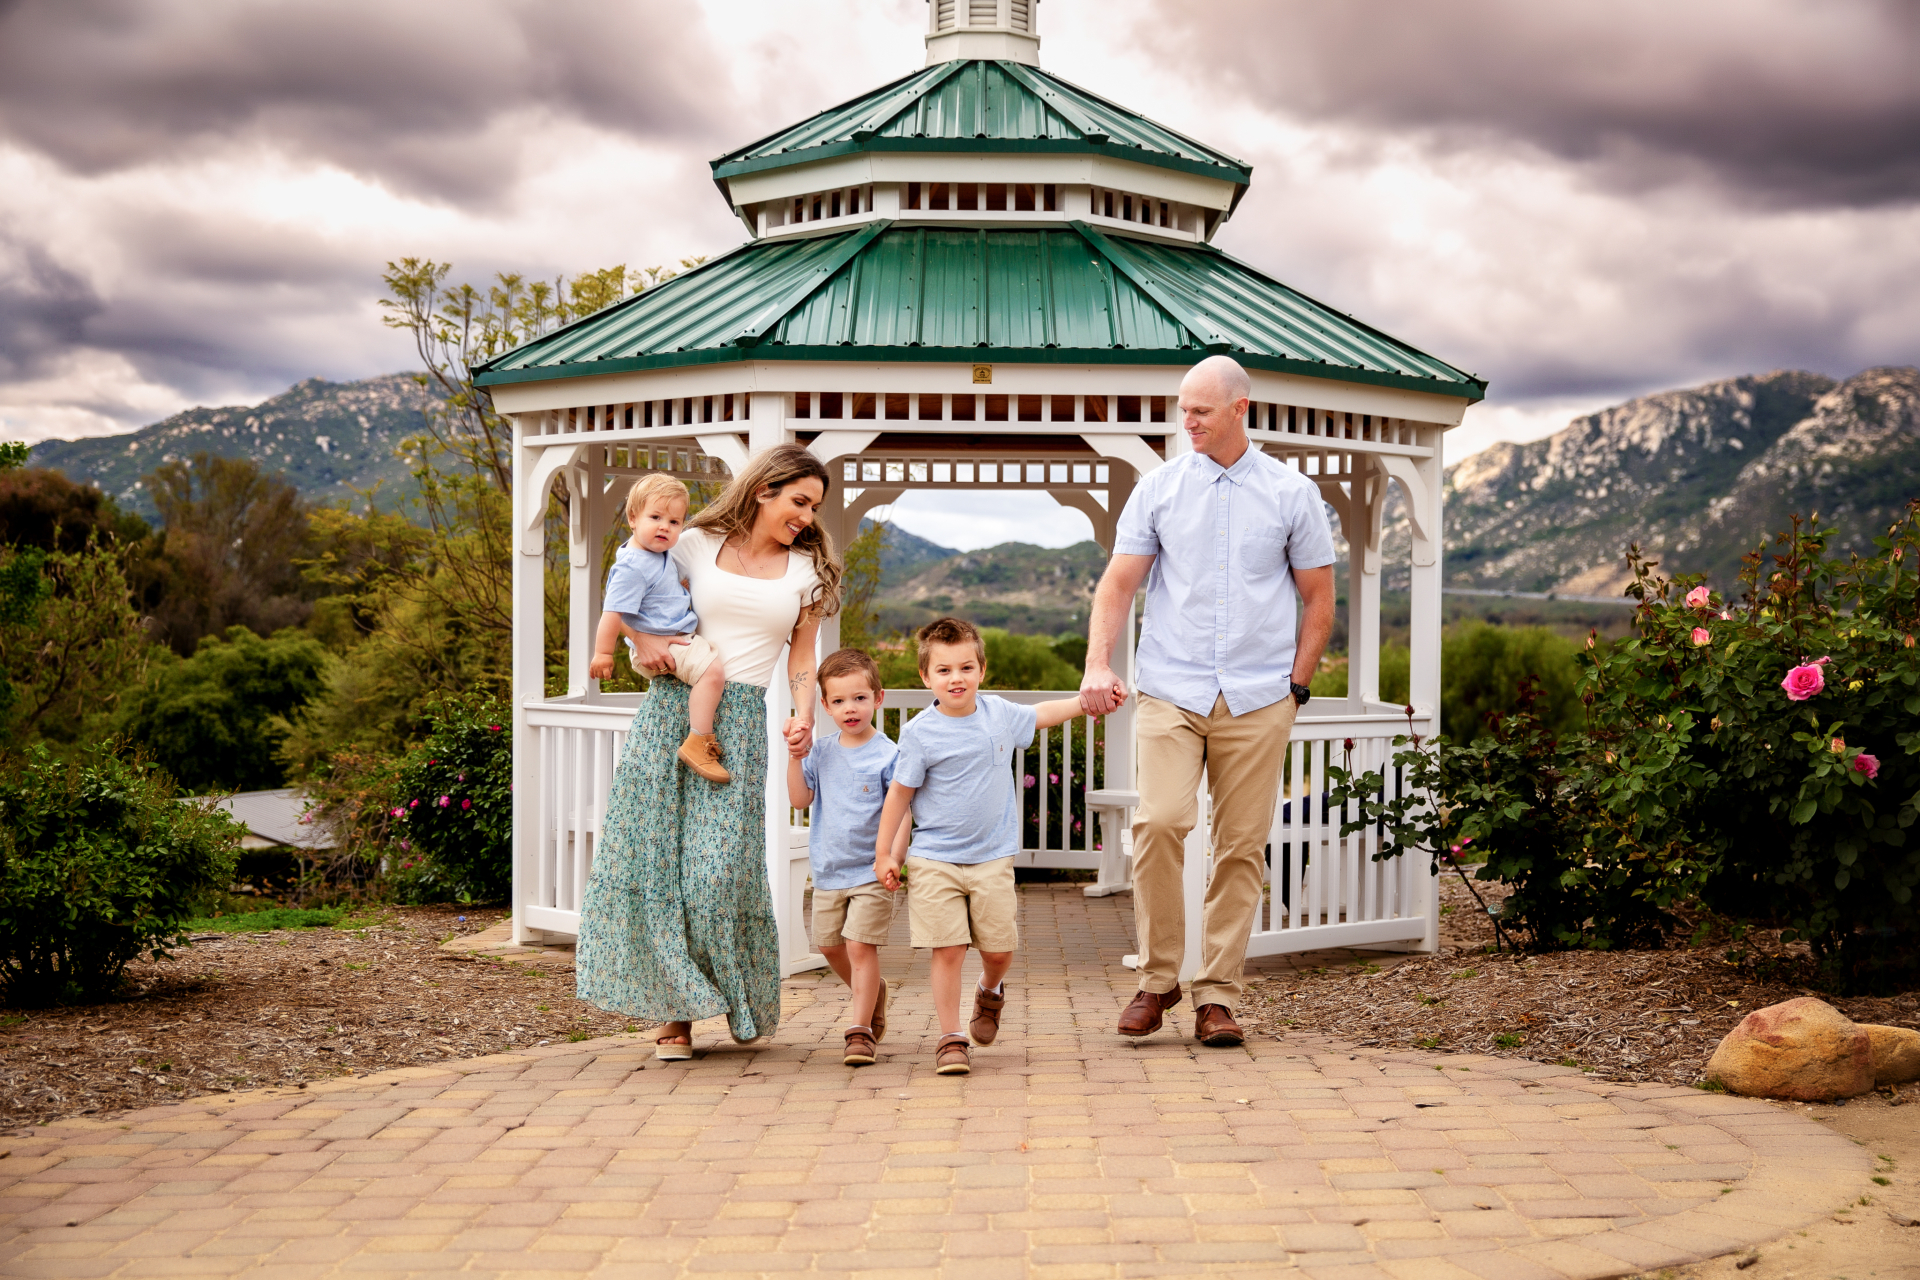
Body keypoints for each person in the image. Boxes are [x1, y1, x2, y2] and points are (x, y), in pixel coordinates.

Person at [1080, 354, 1336, 1048]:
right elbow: (1118, 585)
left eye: (1200, 410)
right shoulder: (1159, 489)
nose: (1186, 421)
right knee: (1159, 823)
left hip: (1259, 697)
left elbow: (1319, 598)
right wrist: (1098, 663)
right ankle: (1159, 979)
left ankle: (1217, 994)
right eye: (1183, 408)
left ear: (1238, 409)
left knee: (1240, 848)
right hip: (1171, 688)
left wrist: (1296, 686)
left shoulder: (1292, 492)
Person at [575, 444, 842, 1060]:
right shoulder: (693, 543)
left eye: (814, 507)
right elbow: (630, 590)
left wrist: (805, 715)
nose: (807, 516)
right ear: (763, 491)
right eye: (799, 501)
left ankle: (731, 998)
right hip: (671, 710)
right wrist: (639, 642)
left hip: (740, 726)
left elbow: (802, 656)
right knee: (658, 865)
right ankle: (676, 1015)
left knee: (715, 873)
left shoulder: (806, 572)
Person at [875, 617, 1106, 1075]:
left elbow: (1042, 714)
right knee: (948, 949)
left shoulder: (999, 714)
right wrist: (886, 854)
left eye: (966, 667)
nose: (956, 678)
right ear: (925, 677)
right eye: (943, 670)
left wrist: (1084, 702)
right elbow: (899, 795)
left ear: (982, 669)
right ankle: (950, 1038)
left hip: (993, 857)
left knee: (998, 950)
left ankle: (990, 989)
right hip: (935, 857)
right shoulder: (920, 732)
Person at [787, 648, 907, 1067]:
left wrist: (893, 858)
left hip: (871, 871)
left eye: (859, 698)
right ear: (825, 706)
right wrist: (795, 756)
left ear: (878, 698)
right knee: (829, 945)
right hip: (828, 870)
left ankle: (860, 1031)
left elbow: (903, 813)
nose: (849, 708)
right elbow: (799, 799)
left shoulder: (889, 754)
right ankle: (873, 991)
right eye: (838, 701)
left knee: (859, 946)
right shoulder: (820, 752)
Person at [588, 473, 732, 783]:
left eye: (674, 521)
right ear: (632, 518)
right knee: (713, 673)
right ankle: (699, 741)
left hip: (674, 639)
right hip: (659, 646)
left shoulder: (658, 555)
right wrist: (603, 653)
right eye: (655, 517)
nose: (665, 526)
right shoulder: (632, 566)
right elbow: (612, 613)